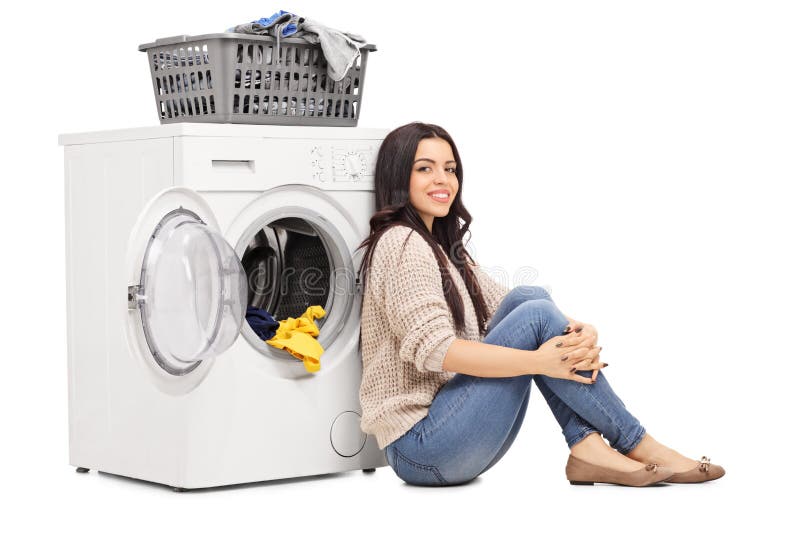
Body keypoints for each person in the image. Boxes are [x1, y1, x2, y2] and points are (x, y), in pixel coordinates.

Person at [356, 122, 726, 487]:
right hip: (422, 449)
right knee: (536, 313)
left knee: (531, 298)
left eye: (450, 169)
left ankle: (586, 445)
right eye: (425, 168)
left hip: (455, 432)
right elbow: (437, 349)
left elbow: (513, 308)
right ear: (398, 176)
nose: (443, 180)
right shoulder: (401, 243)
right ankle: (636, 442)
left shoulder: (446, 250)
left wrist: (580, 330)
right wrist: (539, 361)